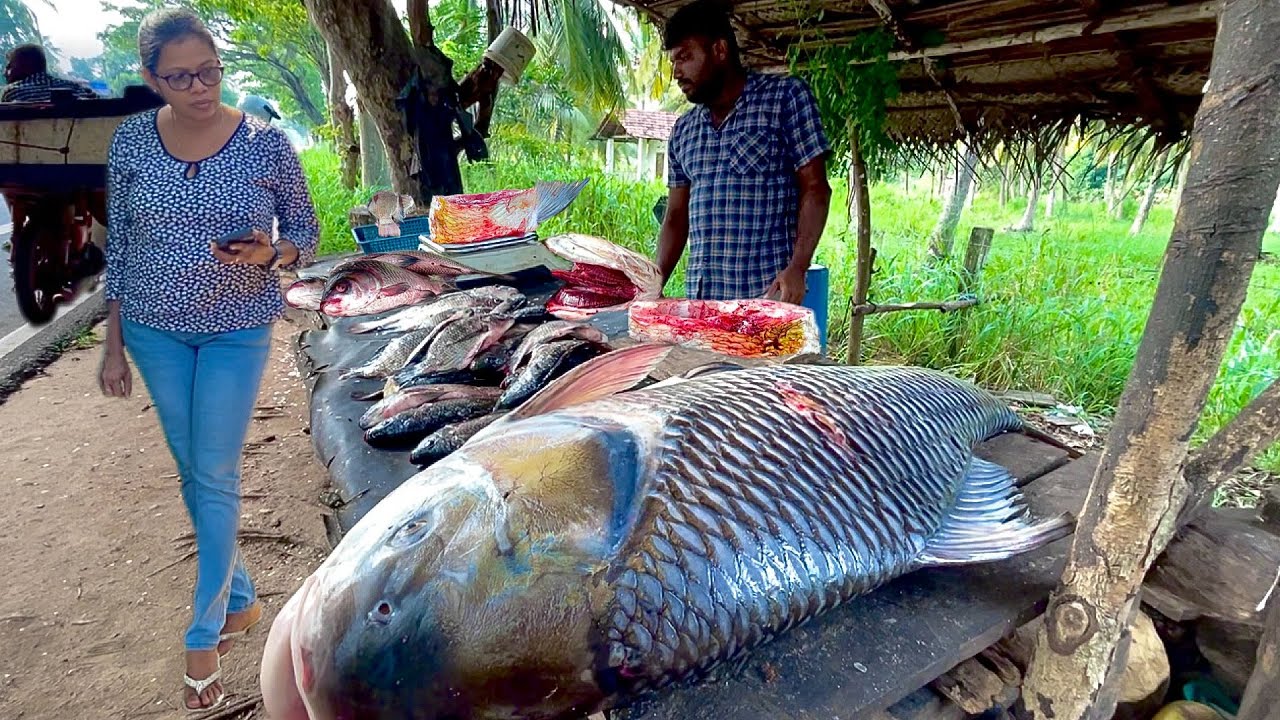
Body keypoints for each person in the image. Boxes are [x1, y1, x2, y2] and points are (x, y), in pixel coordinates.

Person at [95, 7, 319, 712]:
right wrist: (113, 339)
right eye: (181, 76)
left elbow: (306, 235)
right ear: (151, 78)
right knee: (195, 469)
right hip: (155, 332)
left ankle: (204, 629)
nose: (199, 87)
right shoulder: (131, 141)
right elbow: (122, 249)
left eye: (210, 71)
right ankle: (244, 597)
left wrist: (271, 253)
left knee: (215, 471)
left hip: (237, 326)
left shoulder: (265, 143)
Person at [655, 0, 832, 305]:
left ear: (719, 50)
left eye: (685, 57)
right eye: (673, 62)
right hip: (702, 307)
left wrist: (798, 267)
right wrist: (653, 284)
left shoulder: (784, 98)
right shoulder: (683, 130)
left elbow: (816, 188)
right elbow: (675, 215)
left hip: (766, 301)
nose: (676, 73)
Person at [1, 44, 98, 102]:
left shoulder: (13, 92)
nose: (4, 73)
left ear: (22, 67)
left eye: (10, 67)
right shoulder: (74, 88)